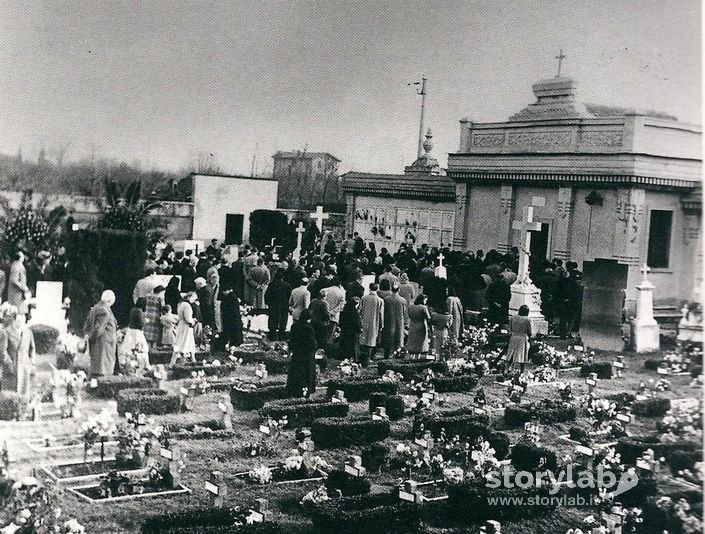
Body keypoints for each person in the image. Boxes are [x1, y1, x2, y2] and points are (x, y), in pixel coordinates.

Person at [0, 303, 35, 398]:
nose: (22, 322)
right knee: (9, 394)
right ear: (14, 320)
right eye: (19, 319)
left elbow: (32, 350)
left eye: (23, 319)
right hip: (11, 368)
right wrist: (9, 364)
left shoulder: (28, 332)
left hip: (24, 367)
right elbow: (3, 352)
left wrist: (31, 364)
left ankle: (24, 409)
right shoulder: (6, 332)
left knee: (24, 393)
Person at [84, 290, 118, 377]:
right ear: (109, 301)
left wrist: (88, 336)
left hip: (100, 344)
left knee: (97, 371)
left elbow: (87, 325)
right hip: (104, 345)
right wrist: (91, 338)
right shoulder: (104, 311)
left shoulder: (96, 307)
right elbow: (98, 329)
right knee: (103, 372)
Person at [286, 309, 317, 397]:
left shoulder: (294, 326)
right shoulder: (308, 328)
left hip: (297, 352)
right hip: (306, 354)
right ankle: (306, 389)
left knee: (295, 371)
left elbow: (291, 339)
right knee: (306, 373)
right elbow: (312, 343)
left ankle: (292, 388)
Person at [118, 299, 150, 374]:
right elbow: (140, 323)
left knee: (128, 347)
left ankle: (124, 362)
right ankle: (145, 365)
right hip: (137, 332)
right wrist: (146, 321)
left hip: (130, 330)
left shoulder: (133, 309)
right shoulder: (139, 311)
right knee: (143, 348)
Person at [359, 283, 384, 367]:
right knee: (371, 341)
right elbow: (381, 314)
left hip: (364, 321)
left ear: (369, 288)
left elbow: (360, 310)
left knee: (363, 339)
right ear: (377, 289)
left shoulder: (364, 298)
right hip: (374, 322)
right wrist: (381, 325)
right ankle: (368, 358)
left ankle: (361, 358)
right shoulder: (380, 300)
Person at [382, 285, 408, 359]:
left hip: (388, 321)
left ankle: (387, 355)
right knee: (398, 338)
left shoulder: (386, 299)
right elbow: (404, 312)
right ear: (398, 290)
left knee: (388, 338)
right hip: (399, 321)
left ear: (391, 289)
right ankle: (397, 353)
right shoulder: (403, 300)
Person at [264, 270, 292, 341]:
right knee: (283, 321)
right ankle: (281, 335)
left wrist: (268, 303)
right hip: (284, 305)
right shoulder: (287, 285)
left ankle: (272, 335)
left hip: (273, 305)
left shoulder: (272, 285)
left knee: (273, 320)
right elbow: (289, 296)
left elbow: (267, 295)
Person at [504, 304, 532, 373]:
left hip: (513, 337)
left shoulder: (513, 318)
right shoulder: (527, 320)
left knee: (511, 353)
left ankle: (506, 369)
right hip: (522, 338)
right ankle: (521, 371)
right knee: (522, 355)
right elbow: (530, 331)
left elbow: (509, 328)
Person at [172, 292, 197, 364]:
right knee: (184, 343)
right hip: (186, 326)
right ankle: (178, 361)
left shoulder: (180, 304)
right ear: (189, 297)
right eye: (193, 298)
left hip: (181, 325)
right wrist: (193, 321)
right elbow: (188, 318)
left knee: (184, 342)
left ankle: (193, 360)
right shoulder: (187, 306)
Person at [339, 297, 362, 363]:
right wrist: (359, 329)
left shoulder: (344, 311)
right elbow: (357, 323)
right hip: (353, 332)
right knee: (354, 346)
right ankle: (354, 359)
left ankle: (343, 357)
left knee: (344, 345)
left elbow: (341, 321)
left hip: (345, 331)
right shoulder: (355, 313)